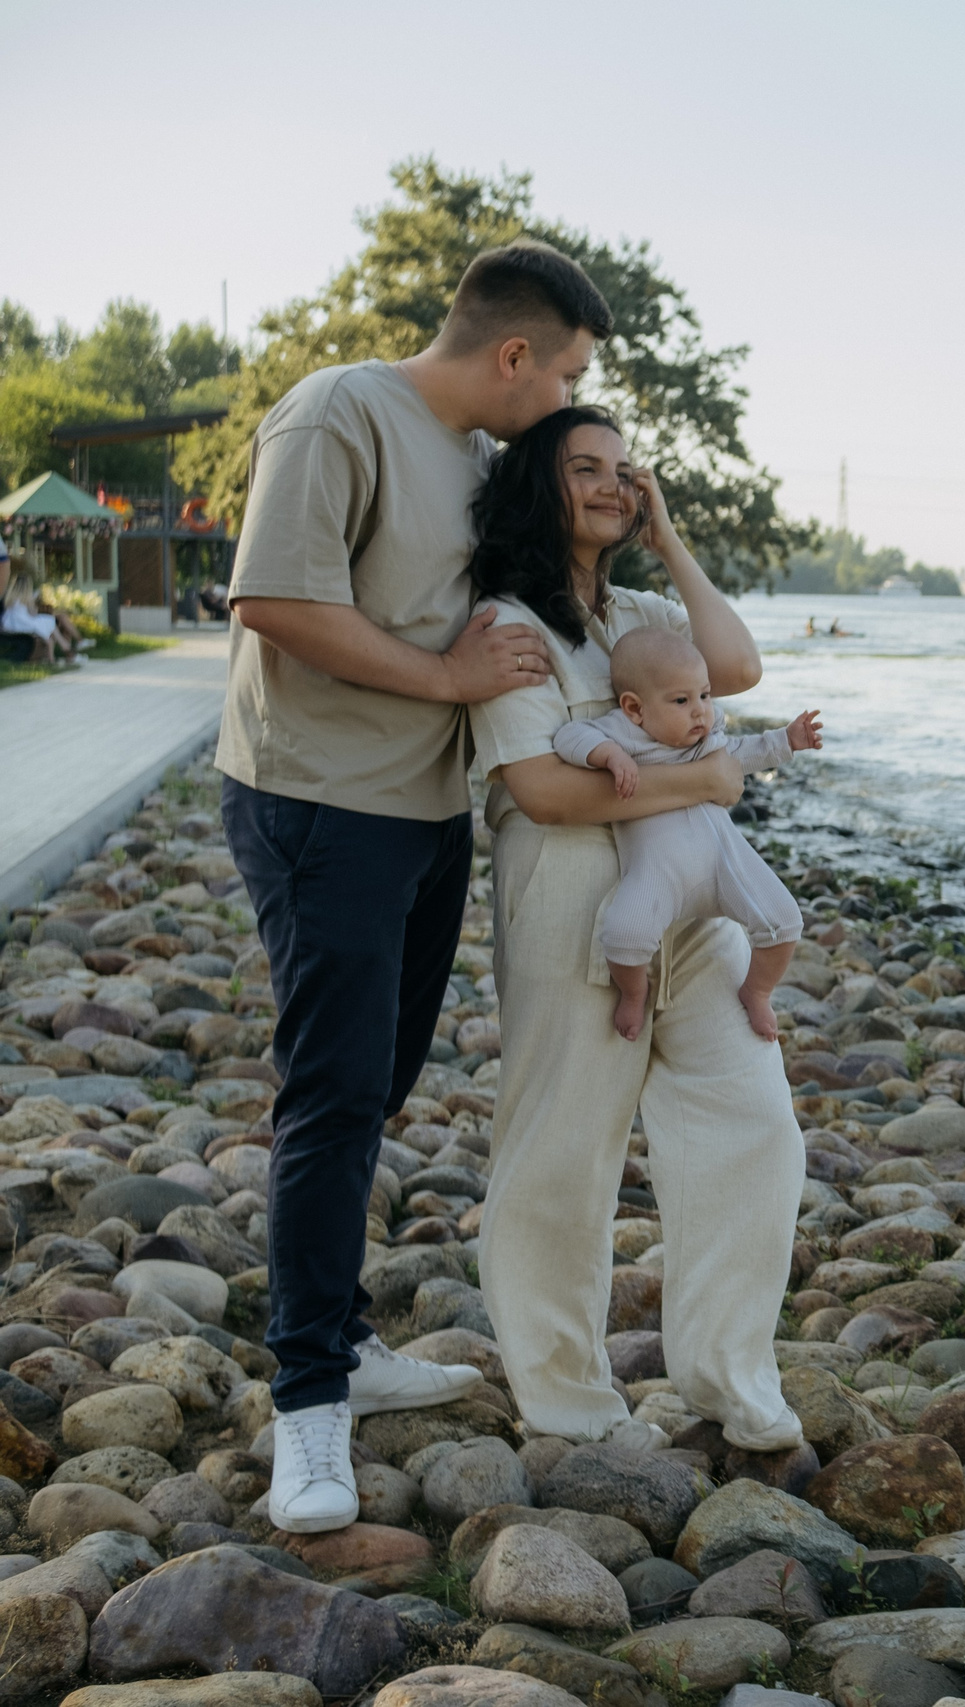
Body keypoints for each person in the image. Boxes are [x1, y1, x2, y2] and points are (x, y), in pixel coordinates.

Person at [214, 238, 613, 1534]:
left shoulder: (486, 460)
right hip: (321, 800)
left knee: (377, 1081)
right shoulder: (340, 412)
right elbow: (269, 595)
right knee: (332, 1097)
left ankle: (343, 1330)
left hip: (425, 808)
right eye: (567, 376)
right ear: (513, 355)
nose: (567, 400)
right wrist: (448, 681)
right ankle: (311, 1402)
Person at [463, 404, 806, 1454]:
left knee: (755, 1124)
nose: (614, 484)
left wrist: (668, 535)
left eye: (625, 469)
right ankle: (569, 1405)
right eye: (587, 470)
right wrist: (703, 776)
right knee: (565, 1153)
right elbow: (543, 792)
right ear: (538, 485)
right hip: (571, 902)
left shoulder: (645, 610)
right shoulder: (506, 624)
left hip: (691, 905)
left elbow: (736, 668)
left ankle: (730, 1381)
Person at [553, 627, 823, 1040]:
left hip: (725, 864)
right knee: (623, 936)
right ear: (634, 708)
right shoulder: (623, 735)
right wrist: (608, 756)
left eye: (705, 695)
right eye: (681, 700)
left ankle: (758, 990)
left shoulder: (708, 740)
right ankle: (633, 991)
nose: (700, 711)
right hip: (660, 874)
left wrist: (787, 740)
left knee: (785, 921)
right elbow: (568, 736)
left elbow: (745, 752)